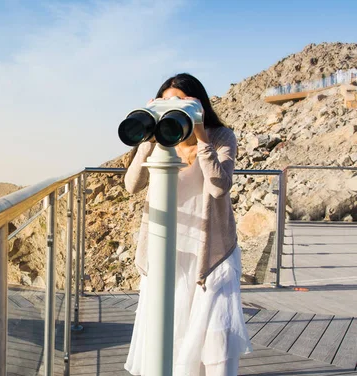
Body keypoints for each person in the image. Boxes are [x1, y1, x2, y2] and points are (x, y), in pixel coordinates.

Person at [123, 73, 252, 376]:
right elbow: (132, 185)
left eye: (180, 100)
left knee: (214, 338)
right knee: (168, 334)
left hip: (210, 255)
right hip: (168, 250)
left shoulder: (221, 137)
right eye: (166, 101)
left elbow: (220, 186)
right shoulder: (160, 142)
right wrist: (146, 140)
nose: (172, 107)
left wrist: (201, 136)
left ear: (198, 104)